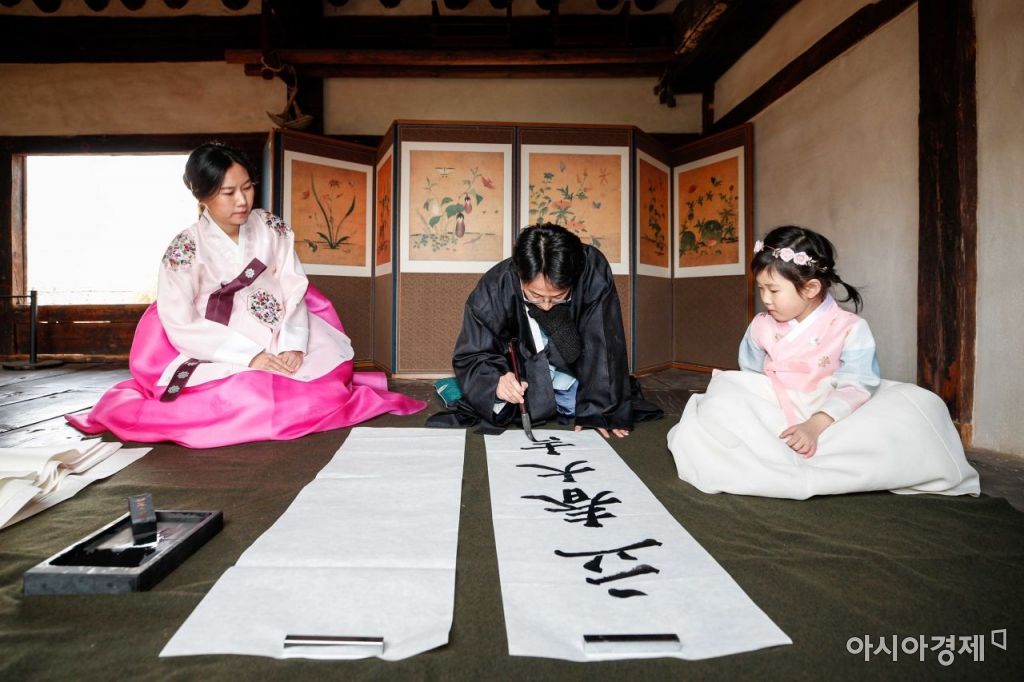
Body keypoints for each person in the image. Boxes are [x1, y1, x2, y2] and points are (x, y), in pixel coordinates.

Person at [67, 142, 425, 448]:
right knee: (247, 396)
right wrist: (249, 355)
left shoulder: (271, 227)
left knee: (321, 379)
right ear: (203, 195)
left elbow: (292, 285)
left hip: (279, 323)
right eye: (228, 193)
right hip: (217, 338)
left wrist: (293, 343)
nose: (242, 200)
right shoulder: (185, 247)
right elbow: (180, 320)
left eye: (248, 187)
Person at [667, 225, 979, 499]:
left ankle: (808, 451)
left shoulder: (850, 327)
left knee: (919, 408)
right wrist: (755, 408)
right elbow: (749, 377)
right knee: (723, 397)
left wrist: (816, 424)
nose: (765, 298)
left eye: (773, 289)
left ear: (811, 288)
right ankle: (784, 450)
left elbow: (858, 383)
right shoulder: (761, 326)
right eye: (760, 288)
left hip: (833, 407)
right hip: (774, 403)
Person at [446, 222, 661, 438]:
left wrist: (601, 410)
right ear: (519, 274)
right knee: (503, 405)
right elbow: (472, 352)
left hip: (574, 365)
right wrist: (495, 380)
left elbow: (602, 340)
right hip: (524, 367)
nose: (547, 305)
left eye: (558, 297)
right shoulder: (494, 287)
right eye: (536, 296)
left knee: (591, 400)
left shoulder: (591, 269)